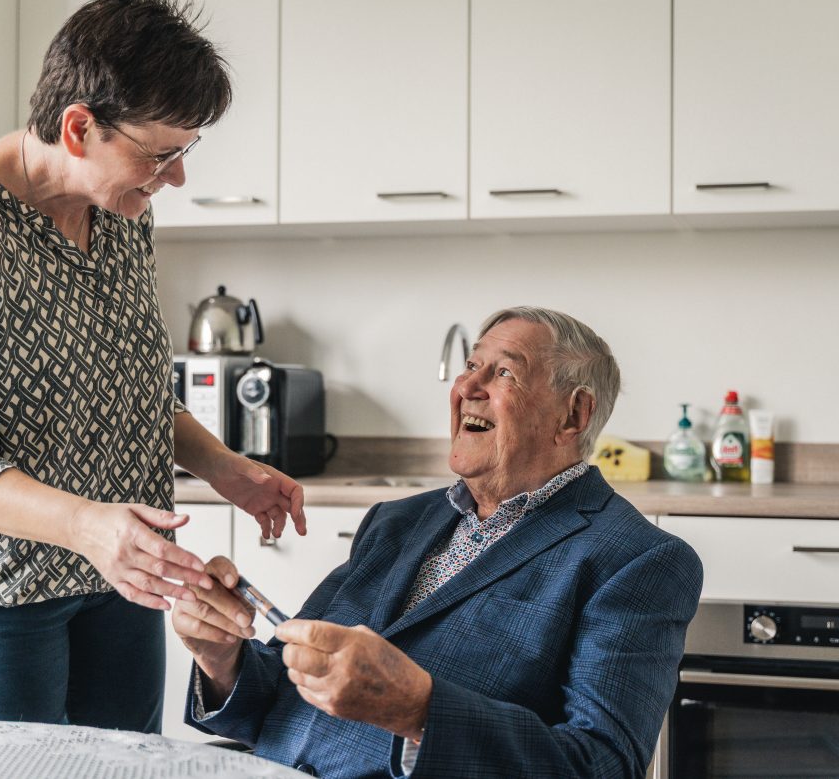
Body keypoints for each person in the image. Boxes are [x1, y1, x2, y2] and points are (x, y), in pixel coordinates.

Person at [0, 0, 304, 733]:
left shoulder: (121, 217)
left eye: (186, 151)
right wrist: (89, 526)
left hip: (120, 581)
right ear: (79, 128)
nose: (175, 177)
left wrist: (225, 466)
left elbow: (132, 390)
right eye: (161, 153)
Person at [173, 306, 703, 778]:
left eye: (504, 373)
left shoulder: (639, 560)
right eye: (472, 366)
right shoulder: (396, 521)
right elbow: (287, 689)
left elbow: (601, 764)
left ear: (573, 415)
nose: (469, 386)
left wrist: (418, 710)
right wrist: (224, 658)